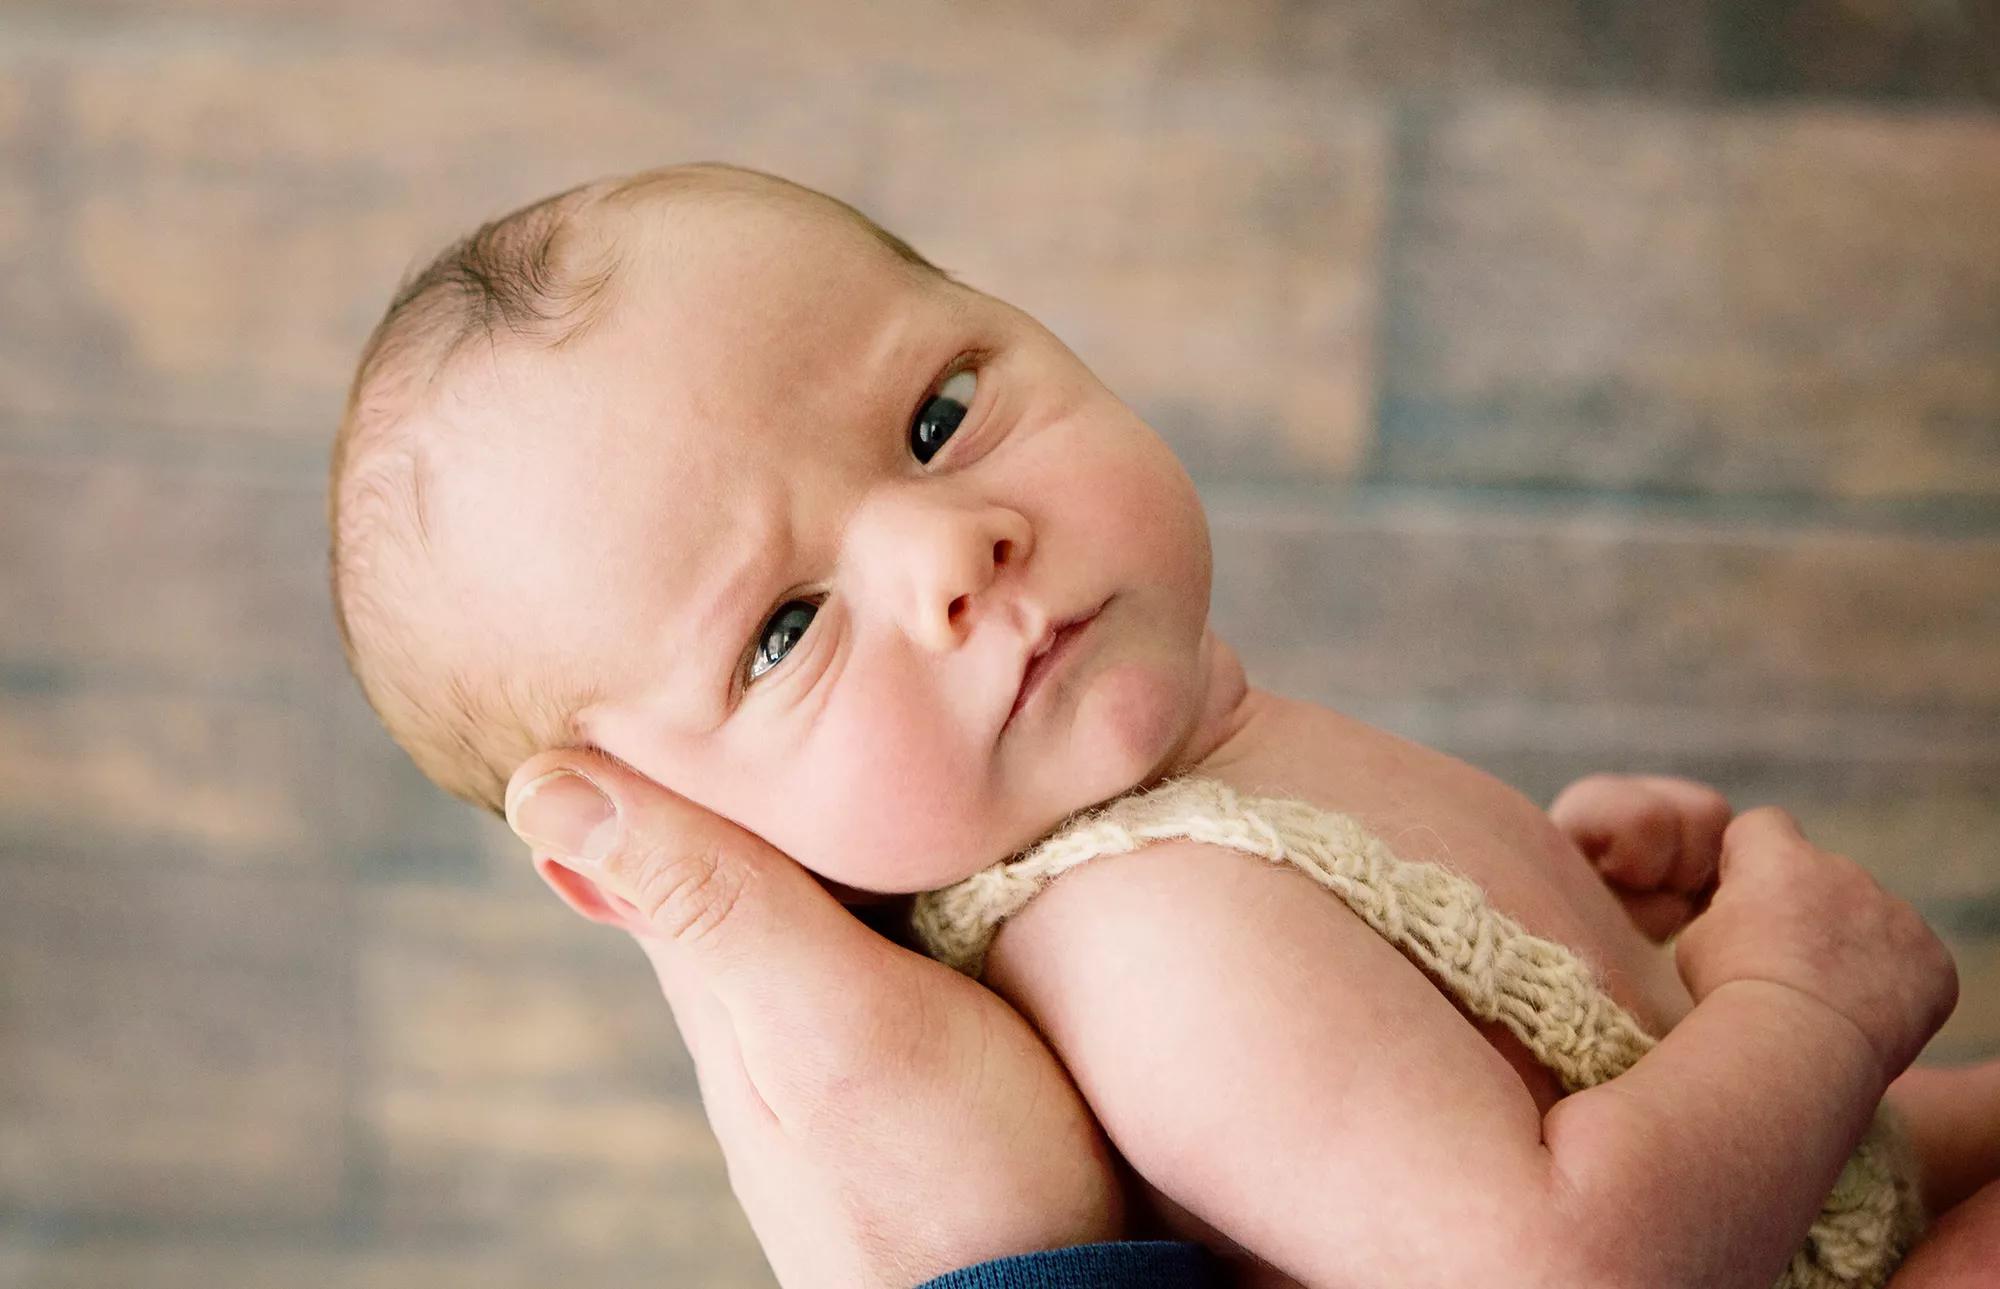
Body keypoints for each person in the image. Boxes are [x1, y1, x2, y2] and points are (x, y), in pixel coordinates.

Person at [328, 163, 1999, 1286]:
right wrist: (1800, 1003)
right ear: (661, 847)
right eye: (783, 629)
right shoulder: (1146, 937)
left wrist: (1575, 934)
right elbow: (1546, 1263)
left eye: (939, 414)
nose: (949, 552)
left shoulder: (1206, 777)